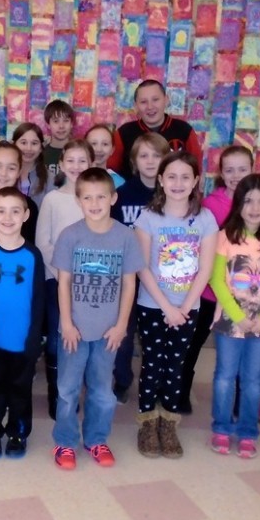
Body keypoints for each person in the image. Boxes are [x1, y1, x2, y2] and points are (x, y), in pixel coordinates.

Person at [51, 168, 143, 470]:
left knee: (103, 391)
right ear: (79, 201)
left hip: (108, 332)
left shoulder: (125, 236)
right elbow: (63, 283)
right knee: (67, 390)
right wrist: (66, 323)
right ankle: (65, 442)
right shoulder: (70, 236)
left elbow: (129, 284)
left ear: (113, 198)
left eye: (101, 197)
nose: (94, 203)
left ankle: (96, 439)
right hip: (73, 330)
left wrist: (121, 326)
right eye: (87, 197)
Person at [133, 152, 217, 458]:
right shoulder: (148, 217)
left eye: (185, 177)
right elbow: (142, 267)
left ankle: (168, 423)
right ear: (161, 180)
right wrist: (167, 308)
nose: (178, 183)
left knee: (175, 367)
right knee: (152, 365)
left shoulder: (205, 219)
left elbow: (205, 268)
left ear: (196, 181)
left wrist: (185, 307)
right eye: (171, 176)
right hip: (153, 306)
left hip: (188, 308)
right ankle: (147, 423)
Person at [208, 174, 260, 460]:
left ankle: (247, 432)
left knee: (253, 380)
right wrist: (237, 316)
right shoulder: (225, 237)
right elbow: (217, 280)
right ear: (238, 204)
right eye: (248, 201)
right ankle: (221, 428)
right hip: (230, 323)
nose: (255, 208)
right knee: (225, 376)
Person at [0, 187, 45, 459]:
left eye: (15, 211)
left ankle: (18, 433)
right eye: (1, 211)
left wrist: (34, 338)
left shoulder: (33, 255)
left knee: (20, 391)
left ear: (26, 215)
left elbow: (38, 300)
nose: (8, 217)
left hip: (23, 342)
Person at [180, 144, 254, 413]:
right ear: (221, 173)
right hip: (209, 292)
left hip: (243, 295)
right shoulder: (210, 205)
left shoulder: (259, 204)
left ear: (252, 170)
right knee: (191, 345)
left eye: (242, 169)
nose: (236, 175)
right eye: (229, 170)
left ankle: (237, 402)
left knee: (240, 350)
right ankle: (180, 393)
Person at [35, 140, 95, 418]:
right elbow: (43, 242)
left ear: (92, 163)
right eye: (70, 160)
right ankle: (57, 395)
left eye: (82, 160)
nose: (76, 166)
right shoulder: (52, 199)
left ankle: (73, 391)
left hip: (89, 283)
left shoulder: (95, 199)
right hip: (56, 280)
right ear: (60, 164)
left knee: (82, 338)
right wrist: (63, 275)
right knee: (57, 339)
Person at [111, 132, 170, 402]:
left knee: (156, 335)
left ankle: (157, 383)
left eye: (156, 155)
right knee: (124, 334)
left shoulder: (172, 194)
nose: (150, 161)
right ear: (134, 161)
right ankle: (122, 380)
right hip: (127, 277)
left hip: (161, 277)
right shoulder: (122, 195)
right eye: (144, 155)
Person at [110, 80, 202, 179]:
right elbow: (111, 171)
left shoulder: (184, 130)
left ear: (166, 100)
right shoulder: (124, 133)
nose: (150, 107)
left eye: (155, 99)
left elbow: (196, 170)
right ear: (136, 106)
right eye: (143, 102)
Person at [12, 122, 52, 206]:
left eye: (34, 143)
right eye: (23, 143)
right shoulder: (5, 175)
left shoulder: (50, 179)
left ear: (41, 148)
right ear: (14, 145)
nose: (29, 148)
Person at [84, 123, 126, 188]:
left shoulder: (119, 182)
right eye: (94, 143)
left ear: (112, 150)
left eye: (105, 144)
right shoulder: (74, 175)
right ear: (84, 147)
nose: (99, 149)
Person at [41, 99, 75, 179]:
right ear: (48, 124)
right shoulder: (40, 154)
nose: (61, 126)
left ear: (71, 124)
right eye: (56, 121)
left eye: (66, 121)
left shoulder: (79, 152)